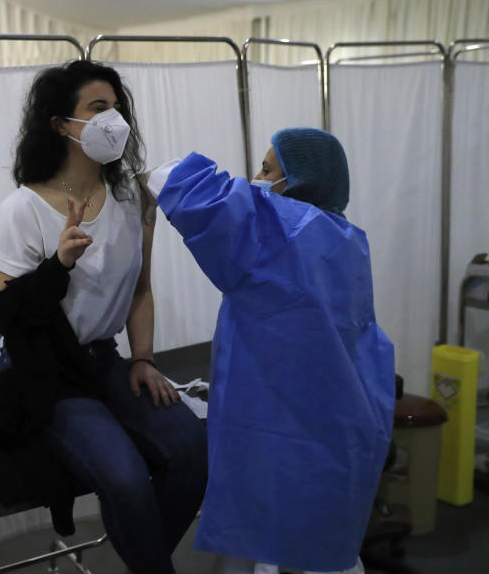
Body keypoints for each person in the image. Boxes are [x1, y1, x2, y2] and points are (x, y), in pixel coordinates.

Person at [0, 60, 208, 574]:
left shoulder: (133, 199)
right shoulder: (23, 209)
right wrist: (57, 264)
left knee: (195, 451)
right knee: (125, 478)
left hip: (104, 360)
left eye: (118, 108)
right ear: (62, 124)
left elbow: (141, 292)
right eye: (98, 108)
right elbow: (7, 316)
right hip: (44, 372)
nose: (115, 121)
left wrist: (144, 359)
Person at [144, 128, 395, 574]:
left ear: (301, 179)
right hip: (341, 415)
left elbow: (204, 200)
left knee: (257, 530)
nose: (255, 177)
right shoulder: (345, 237)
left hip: (276, 422)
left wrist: (143, 174)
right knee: (311, 538)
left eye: (267, 169)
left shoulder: (282, 228)